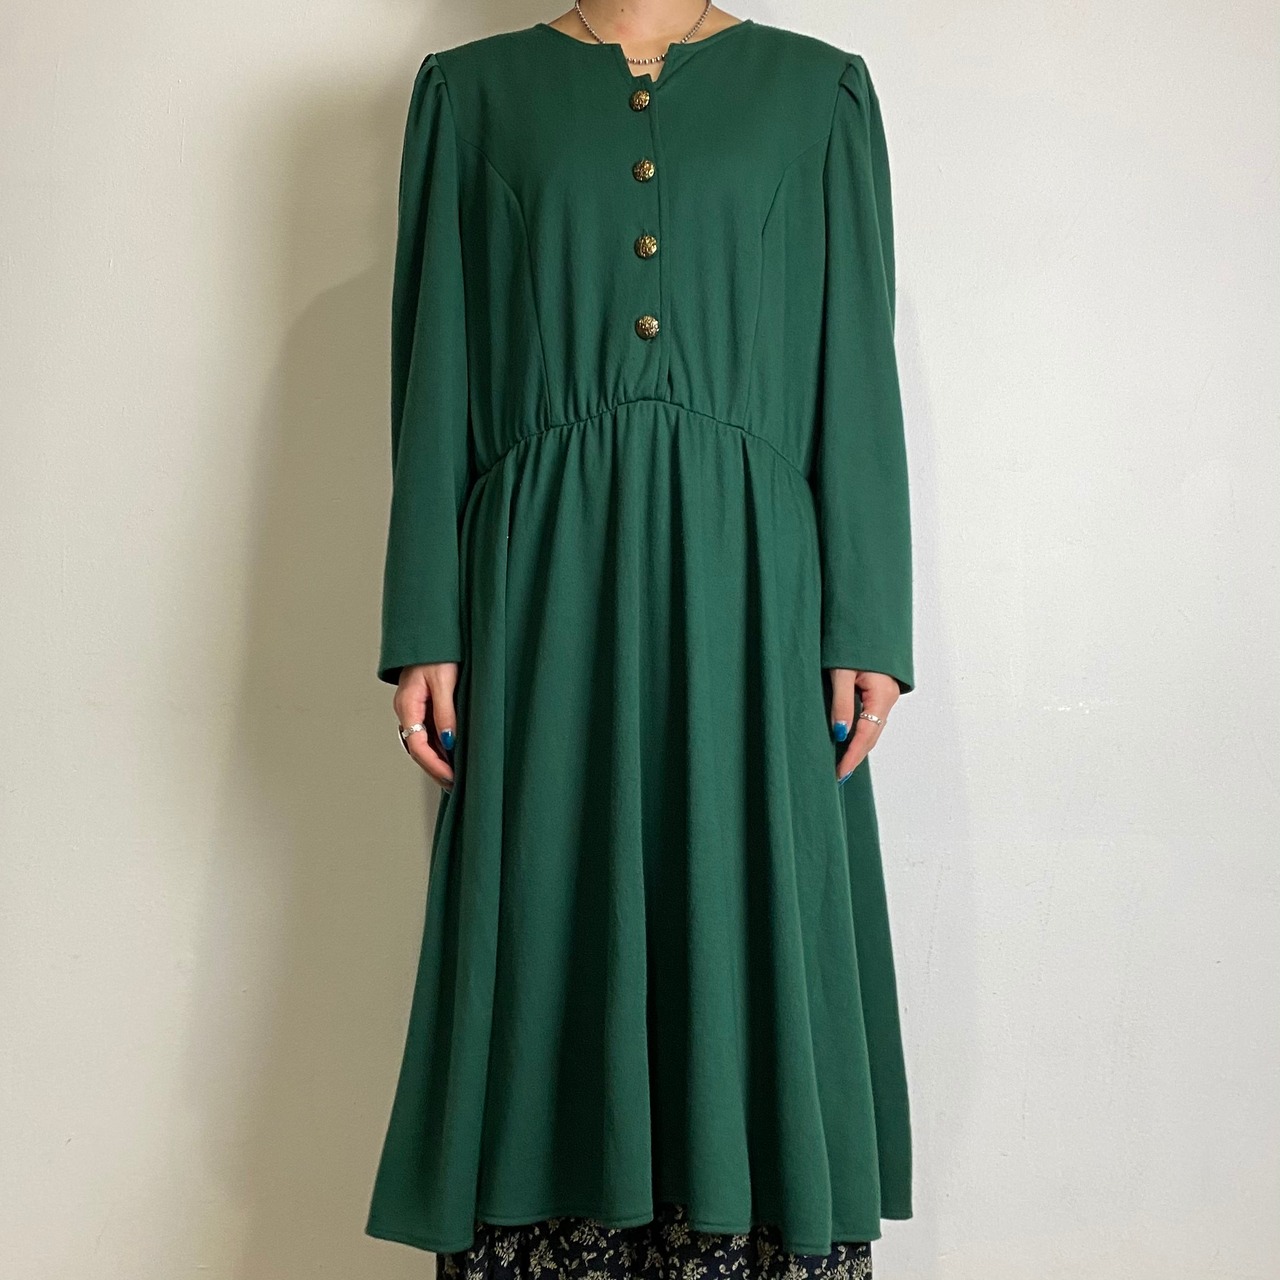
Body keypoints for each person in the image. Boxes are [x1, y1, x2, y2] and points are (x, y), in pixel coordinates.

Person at [366, 5, 916, 1278]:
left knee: (757, 891)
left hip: (753, 586)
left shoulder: (819, 93)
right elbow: (430, 367)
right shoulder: (468, 94)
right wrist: (424, 616)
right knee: (546, 899)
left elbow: (854, 358)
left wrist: (866, 619)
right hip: (540, 583)